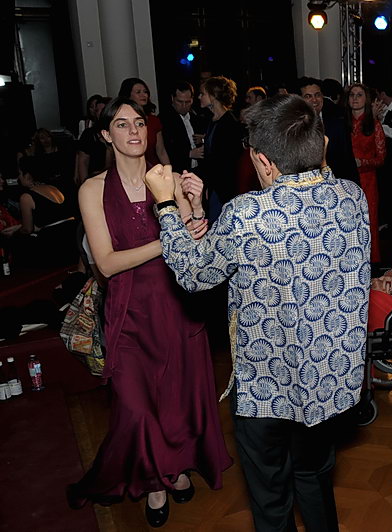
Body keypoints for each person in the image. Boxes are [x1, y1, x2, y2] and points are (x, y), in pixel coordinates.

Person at [145, 94, 370, 532]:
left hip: (266, 387)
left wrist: (166, 206)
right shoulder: (352, 197)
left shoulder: (246, 214)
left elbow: (193, 274)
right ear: (320, 143)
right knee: (315, 478)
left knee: (270, 498)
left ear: (264, 162)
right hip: (327, 382)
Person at [67, 98, 232, 527]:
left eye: (139, 123)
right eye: (122, 125)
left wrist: (197, 210)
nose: (134, 131)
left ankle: (171, 470)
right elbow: (106, 263)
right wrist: (167, 240)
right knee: (136, 408)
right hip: (128, 314)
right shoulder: (92, 190)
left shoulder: (170, 180)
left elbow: (195, 250)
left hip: (177, 308)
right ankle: (154, 480)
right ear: (106, 135)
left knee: (175, 403)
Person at [345, 83, 386, 263]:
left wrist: (362, 162)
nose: (355, 98)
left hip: (367, 180)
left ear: (366, 99)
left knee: (368, 221)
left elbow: (381, 158)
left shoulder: (374, 125)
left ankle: (371, 263)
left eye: (359, 95)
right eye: (352, 95)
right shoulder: (343, 124)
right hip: (346, 180)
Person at [196, 76, 244, 222]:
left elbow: (226, 161)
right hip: (215, 187)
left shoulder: (230, 123)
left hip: (225, 189)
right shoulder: (213, 120)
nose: (199, 97)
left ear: (213, 96)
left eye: (202, 94)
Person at [298, 76, 359, 185]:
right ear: (299, 100)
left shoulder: (337, 124)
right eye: (308, 96)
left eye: (317, 95)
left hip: (336, 186)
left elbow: (348, 161)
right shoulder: (293, 128)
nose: (314, 100)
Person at [118, 78, 170, 167]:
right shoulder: (122, 121)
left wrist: (169, 170)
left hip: (154, 168)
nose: (143, 95)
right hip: (130, 168)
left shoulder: (154, 120)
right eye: (138, 92)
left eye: (145, 92)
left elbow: (161, 151)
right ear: (128, 95)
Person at [160, 81, 204, 173]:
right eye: (180, 101)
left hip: (199, 170)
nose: (184, 106)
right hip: (177, 171)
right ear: (172, 98)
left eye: (187, 102)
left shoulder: (197, 117)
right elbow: (163, 149)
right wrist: (189, 153)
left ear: (192, 100)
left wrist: (203, 139)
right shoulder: (164, 119)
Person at [76, 96, 112, 185]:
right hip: (95, 182)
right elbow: (83, 161)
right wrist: (85, 184)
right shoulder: (89, 134)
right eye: (97, 110)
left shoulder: (120, 132)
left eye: (103, 109)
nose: (100, 112)